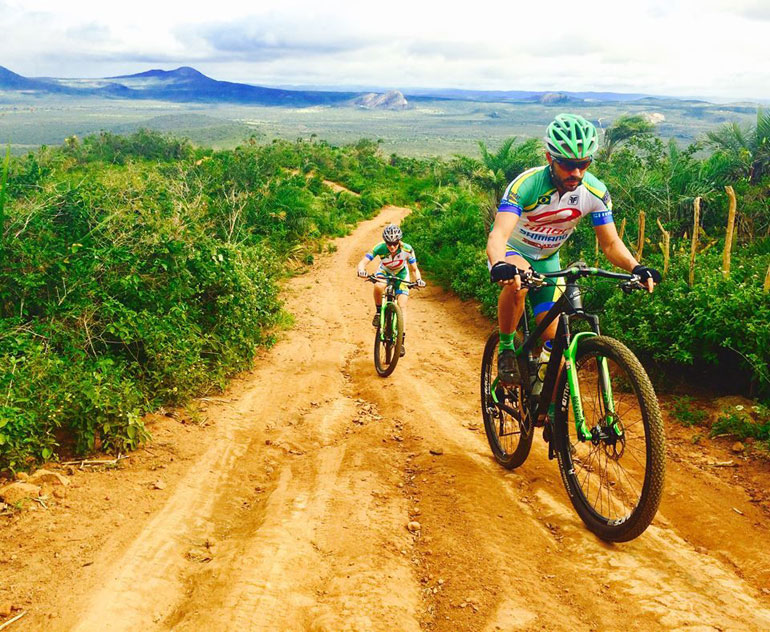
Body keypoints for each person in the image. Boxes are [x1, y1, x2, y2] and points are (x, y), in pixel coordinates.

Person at [486, 113, 661, 385]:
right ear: (549, 159)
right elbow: (498, 234)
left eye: (583, 164)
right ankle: (507, 348)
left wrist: (636, 267)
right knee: (517, 283)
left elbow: (611, 243)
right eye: (567, 165)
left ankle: (549, 412)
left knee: (556, 348)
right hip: (513, 252)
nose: (576, 173)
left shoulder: (594, 191)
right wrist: (499, 263)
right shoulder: (527, 185)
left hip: (547, 261)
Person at [357, 224, 425, 357]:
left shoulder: (407, 249)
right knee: (378, 286)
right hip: (385, 271)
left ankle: (401, 342)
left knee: (402, 305)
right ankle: (378, 312)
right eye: (389, 243)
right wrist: (361, 270)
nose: (392, 246)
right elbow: (363, 262)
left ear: (399, 241)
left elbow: (414, 269)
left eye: (394, 243)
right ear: (385, 241)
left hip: (401, 274)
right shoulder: (379, 247)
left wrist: (419, 280)